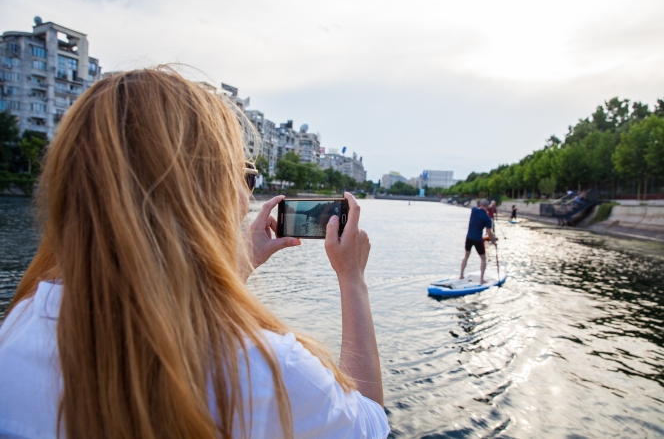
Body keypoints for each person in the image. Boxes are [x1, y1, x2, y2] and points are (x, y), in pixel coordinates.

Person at [0, 68, 389, 439]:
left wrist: (240, 266)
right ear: (208, 192)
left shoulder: (16, 331)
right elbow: (369, 423)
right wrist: (352, 280)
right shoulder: (264, 367)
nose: (248, 194)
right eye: (246, 176)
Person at [460, 199, 496, 284]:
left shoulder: (474, 210)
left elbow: (481, 208)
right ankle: (481, 280)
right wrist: (493, 242)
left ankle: (461, 275)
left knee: (466, 256)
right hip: (478, 240)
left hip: (469, 237)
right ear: (487, 206)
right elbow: (489, 233)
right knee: (483, 259)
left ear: (480, 204)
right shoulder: (487, 218)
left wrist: (488, 207)